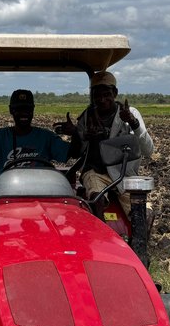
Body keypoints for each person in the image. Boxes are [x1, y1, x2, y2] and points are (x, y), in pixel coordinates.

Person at [53, 71, 154, 221]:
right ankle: (102, 237)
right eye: (97, 95)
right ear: (92, 96)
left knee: (142, 215)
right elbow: (76, 152)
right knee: (96, 198)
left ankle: (137, 242)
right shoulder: (87, 117)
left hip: (124, 174)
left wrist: (134, 123)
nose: (102, 99)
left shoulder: (129, 114)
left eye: (106, 94)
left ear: (115, 93)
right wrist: (77, 133)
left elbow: (148, 150)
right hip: (96, 172)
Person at [0, 89, 75, 176]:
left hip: (39, 190)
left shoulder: (46, 137)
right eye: (19, 109)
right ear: (11, 110)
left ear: (33, 110)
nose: (24, 113)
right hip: (8, 191)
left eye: (28, 109)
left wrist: (75, 133)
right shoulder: (1, 136)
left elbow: (73, 153)